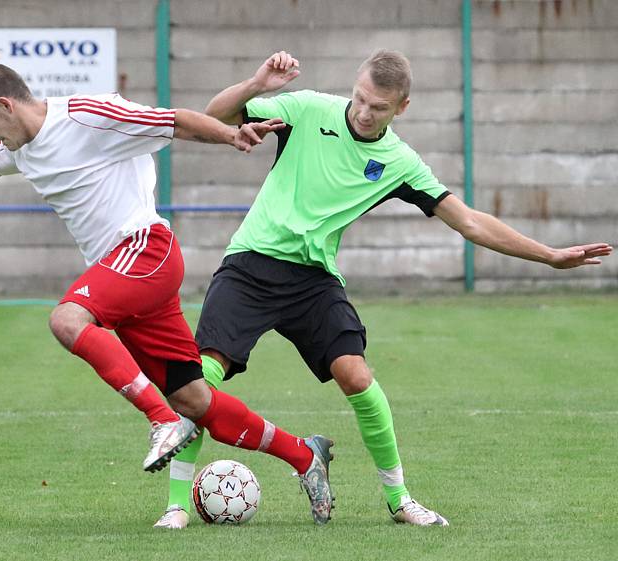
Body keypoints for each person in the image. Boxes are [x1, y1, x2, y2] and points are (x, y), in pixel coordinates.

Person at [154, 49, 614, 529]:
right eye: (360, 99)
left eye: (379, 106)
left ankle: (400, 500)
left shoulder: (400, 162)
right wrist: (255, 85)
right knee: (199, 380)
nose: (364, 111)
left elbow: (471, 223)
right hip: (250, 264)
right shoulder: (308, 109)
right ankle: (177, 506)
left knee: (357, 377)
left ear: (402, 108)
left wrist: (550, 255)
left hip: (313, 279)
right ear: (354, 85)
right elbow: (213, 117)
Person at [0, 50, 336, 525]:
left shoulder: (89, 115)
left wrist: (232, 134)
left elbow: (176, 122)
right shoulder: (14, 143)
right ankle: (305, 455)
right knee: (195, 400)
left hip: (145, 248)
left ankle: (162, 422)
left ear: (7, 105)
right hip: (125, 276)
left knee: (67, 319)